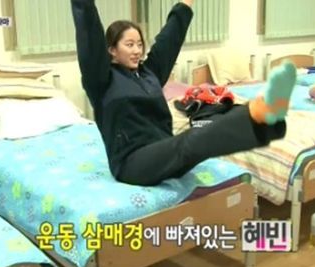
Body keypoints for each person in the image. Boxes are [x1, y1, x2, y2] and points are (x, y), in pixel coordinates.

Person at [70, 0, 297, 186]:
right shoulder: (102, 81)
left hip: (163, 151)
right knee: (192, 140)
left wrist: (185, 4)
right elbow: (89, 32)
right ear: (111, 50)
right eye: (129, 45)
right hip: (132, 162)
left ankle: (265, 124)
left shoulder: (149, 74)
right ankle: (257, 117)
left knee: (198, 141)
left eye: (140, 44)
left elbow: (170, 39)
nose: (137, 50)